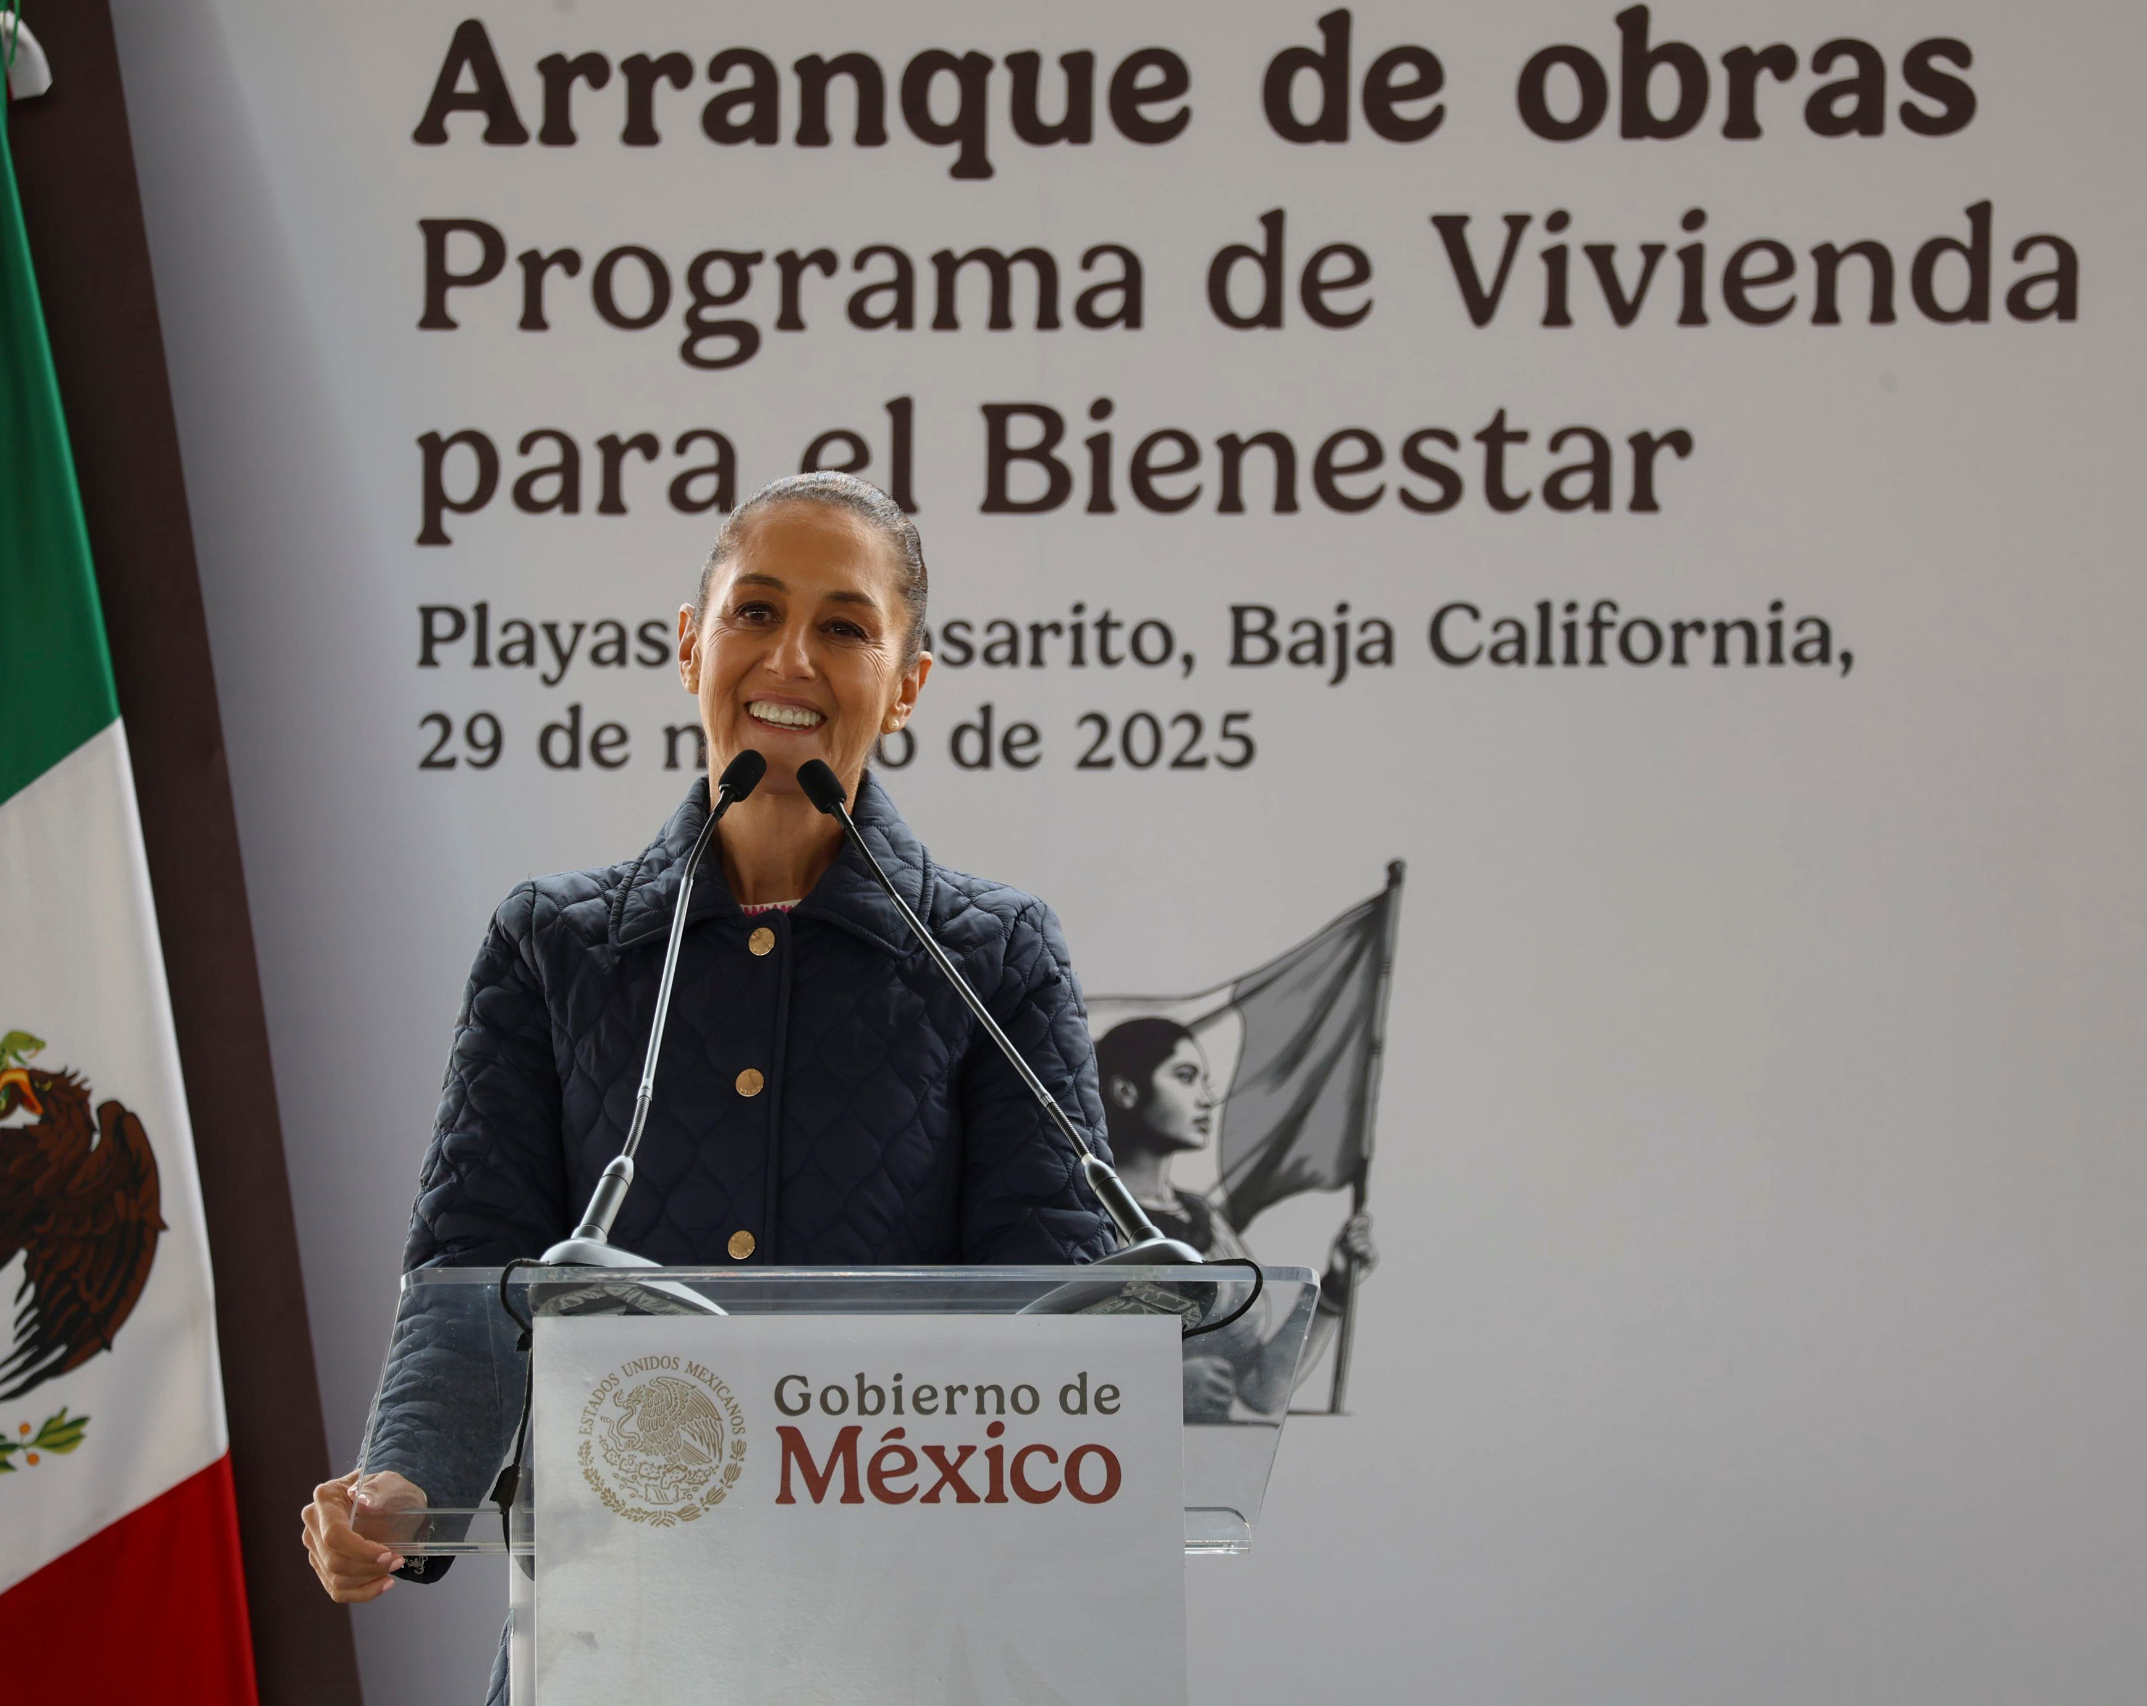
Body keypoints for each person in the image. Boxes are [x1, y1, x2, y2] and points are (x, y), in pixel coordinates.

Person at [302, 474, 1119, 1662]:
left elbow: (1054, 1308)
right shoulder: (554, 944)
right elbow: (472, 1262)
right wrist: (402, 1491)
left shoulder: (993, 957)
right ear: (692, 645)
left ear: (907, 684)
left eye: (844, 626)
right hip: (612, 1626)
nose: (789, 656)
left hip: (900, 1634)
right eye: (754, 612)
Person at [1093, 1015, 1376, 1418]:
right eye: (1186, 1077)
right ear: (1125, 1091)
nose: (1207, 1098)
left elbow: (1262, 1390)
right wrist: (1163, 1387)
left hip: (1214, 1463)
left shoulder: (1206, 1219)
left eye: (1204, 1080)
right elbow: (1051, 1367)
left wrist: (1333, 1288)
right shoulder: (1084, 1219)